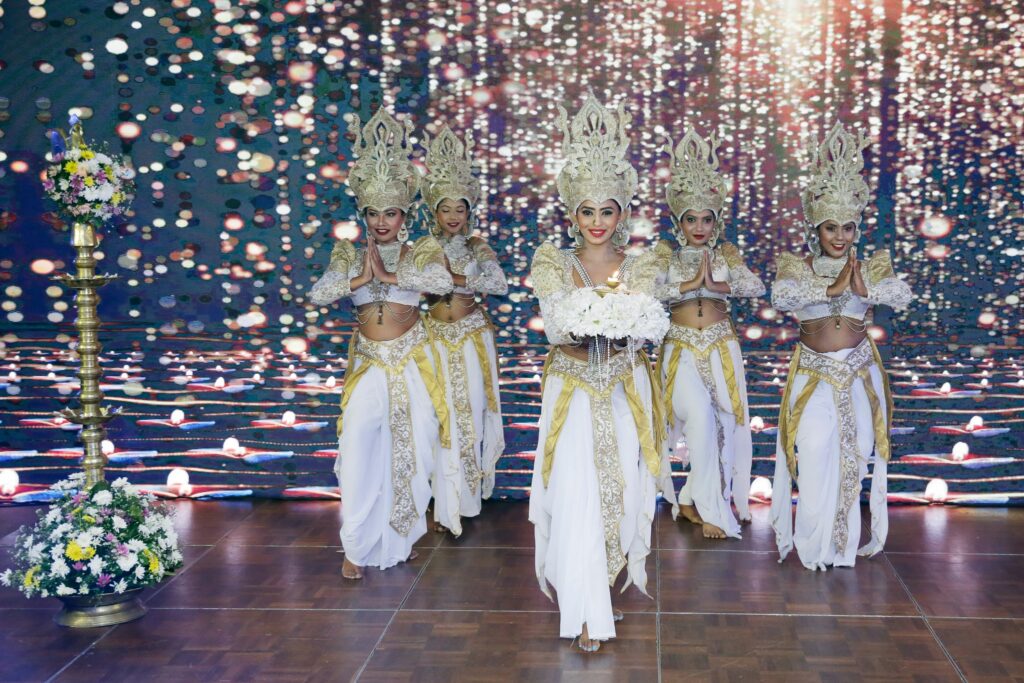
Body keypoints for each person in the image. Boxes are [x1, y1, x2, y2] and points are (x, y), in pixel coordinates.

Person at [529, 93, 664, 653]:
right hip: (573, 387)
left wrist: (620, 322)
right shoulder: (552, 262)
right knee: (575, 491)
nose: (597, 223)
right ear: (573, 215)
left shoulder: (644, 264)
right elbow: (557, 327)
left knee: (623, 491)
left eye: (607, 211)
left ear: (621, 213)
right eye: (587, 212)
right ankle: (586, 613)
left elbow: (645, 326)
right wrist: (593, 320)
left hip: (624, 386)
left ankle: (600, 592)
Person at [309, 108, 453, 579]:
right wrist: (359, 279)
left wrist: (389, 276)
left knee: (414, 450)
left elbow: (440, 282)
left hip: (411, 360)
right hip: (370, 363)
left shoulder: (422, 250)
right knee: (356, 449)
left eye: (390, 213)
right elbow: (319, 293)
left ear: (404, 214)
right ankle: (355, 544)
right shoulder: (348, 253)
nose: (381, 221)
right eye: (373, 213)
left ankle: (401, 536)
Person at [769, 122, 912, 571]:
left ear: (856, 228)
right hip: (814, 373)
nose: (839, 236)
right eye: (830, 227)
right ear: (816, 228)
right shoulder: (795, 265)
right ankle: (812, 546)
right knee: (813, 452)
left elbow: (902, 295)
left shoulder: (871, 265)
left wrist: (865, 287)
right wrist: (831, 288)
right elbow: (781, 298)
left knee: (857, 454)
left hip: (857, 371)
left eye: (847, 228)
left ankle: (842, 547)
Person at [651, 126, 765, 539]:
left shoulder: (725, 253)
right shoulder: (665, 253)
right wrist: (688, 286)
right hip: (681, 348)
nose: (698, 227)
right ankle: (712, 510)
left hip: (720, 345)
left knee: (723, 424)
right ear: (678, 222)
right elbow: (648, 290)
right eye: (691, 219)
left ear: (716, 222)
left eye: (706, 219)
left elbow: (754, 286)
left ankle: (690, 498)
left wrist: (716, 285)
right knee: (699, 415)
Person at [420, 125, 508, 536]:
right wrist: (455, 281)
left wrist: (453, 279)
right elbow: (415, 284)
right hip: (434, 337)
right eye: (446, 209)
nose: (454, 216)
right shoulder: (422, 247)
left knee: (470, 412)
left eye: (460, 209)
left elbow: (498, 283)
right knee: (439, 416)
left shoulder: (477, 246)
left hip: (471, 336)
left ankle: (465, 501)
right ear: (433, 212)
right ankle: (443, 502)